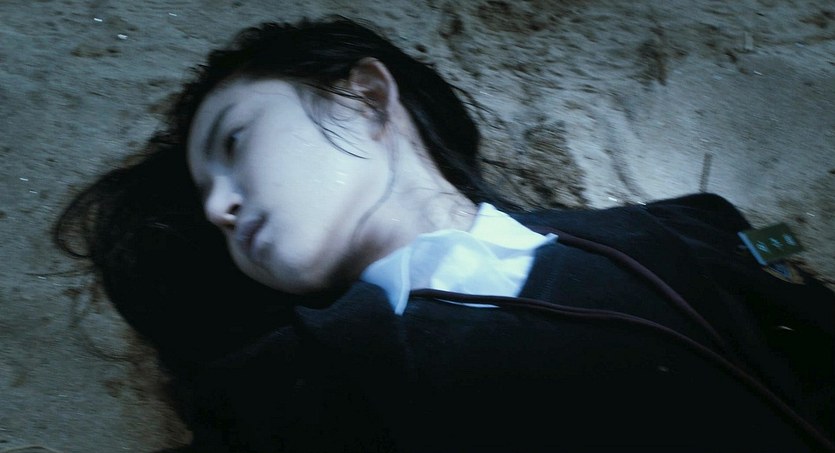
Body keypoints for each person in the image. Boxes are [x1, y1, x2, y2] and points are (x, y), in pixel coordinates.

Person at [55, 17, 834, 453]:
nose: (220, 207)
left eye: (233, 143)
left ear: (366, 97)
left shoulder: (679, 225)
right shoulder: (288, 395)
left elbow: (798, 306)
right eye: (204, 199)